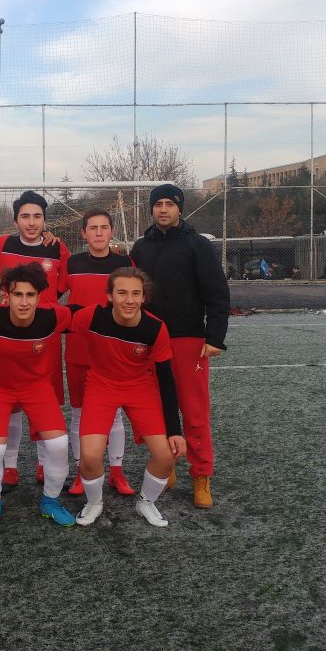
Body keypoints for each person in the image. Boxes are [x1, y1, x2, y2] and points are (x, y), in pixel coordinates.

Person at [131, 183, 230, 509]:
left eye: (169, 204)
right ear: (151, 209)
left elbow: (217, 292)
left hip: (188, 339)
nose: (163, 209)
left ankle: (201, 476)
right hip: (149, 341)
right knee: (156, 410)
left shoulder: (197, 244)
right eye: (158, 204)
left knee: (194, 412)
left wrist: (214, 336)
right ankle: (165, 466)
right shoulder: (141, 247)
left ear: (179, 209)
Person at [0, 262, 75, 530]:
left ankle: (51, 501)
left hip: (36, 387)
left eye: (30, 295)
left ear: (39, 297)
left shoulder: (53, 317)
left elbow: (90, 314)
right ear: (6, 295)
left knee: (58, 444)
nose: (24, 302)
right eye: (17, 294)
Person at [71, 267, 187, 528]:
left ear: (144, 297)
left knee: (166, 456)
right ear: (109, 296)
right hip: (101, 385)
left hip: (139, 388)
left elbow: (166, 379)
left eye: (136, 294)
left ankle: (146, 502)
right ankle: (94, 502)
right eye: (122, 293)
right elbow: (56, 320)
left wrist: (175, 430)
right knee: (89, 457)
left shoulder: (155, 328)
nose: (129, 300)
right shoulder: (92, 317)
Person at [0, 190, 70, 490]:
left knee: (46, 399)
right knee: (11, 404)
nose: (31, 223)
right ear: (16, 220)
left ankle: (44, 463)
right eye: (25, 216)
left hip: (44, 338)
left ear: (45, 219)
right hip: (7, 337)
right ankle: (10, 465)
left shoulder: (57, 248)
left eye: (37, 216)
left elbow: (63, 286)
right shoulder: (1, 245)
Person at [62, 209, 135, 498]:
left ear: (112, 230)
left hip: (113, 350)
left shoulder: (124, 263)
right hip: (79, 349)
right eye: (93, 228)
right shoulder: (72, 263)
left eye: (104, 227)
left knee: (114, 414)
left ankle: (116, 472)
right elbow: (51, 295)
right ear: (84, 233)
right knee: (79, 412)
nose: (99, 232)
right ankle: (83, 471)